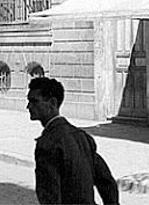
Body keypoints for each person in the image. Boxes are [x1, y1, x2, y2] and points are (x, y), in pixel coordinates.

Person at [27, 77, 119, 205]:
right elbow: (106, 181)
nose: (28, 106)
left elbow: (49, 196)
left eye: (34, 101)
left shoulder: (47, 144)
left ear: (52, 103)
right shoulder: (82, 137)